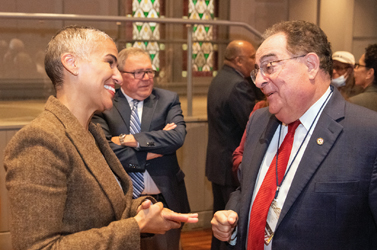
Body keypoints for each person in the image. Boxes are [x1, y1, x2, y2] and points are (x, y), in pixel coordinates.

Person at [3, 25, 198, 250]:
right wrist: (136, 225)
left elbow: (106, 206)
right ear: (71, 63)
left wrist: (142, 209)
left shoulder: (90, 133)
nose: (117, 76)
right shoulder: (40, 141)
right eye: (109, 62)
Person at [211, 20, 377, 250]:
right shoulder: (259, 122)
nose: (259, 81)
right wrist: (232, 215)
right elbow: (246, 188)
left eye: (269, 66)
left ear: (311, 65)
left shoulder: (376, 138)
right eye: (257, 71)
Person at [91, 47, 190, 250]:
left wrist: (128, 139)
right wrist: (160, 145)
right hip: (122, 201)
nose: (145, 78)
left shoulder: (167, 100)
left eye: (149, 71)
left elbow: (177, 138)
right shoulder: (104, 103)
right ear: (120, 75)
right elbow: (106, 150)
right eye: (137, 72)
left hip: (164, 198)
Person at [206, 40, 261, 250]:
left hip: (217, 162)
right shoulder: (239, 85)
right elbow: (252, 124)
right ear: (238, 60)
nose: (255, 61)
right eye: (252, 57)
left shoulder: (220, 78)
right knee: (230, 224)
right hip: (230, 163)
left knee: (219, 224)